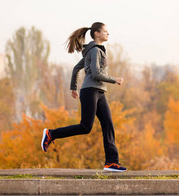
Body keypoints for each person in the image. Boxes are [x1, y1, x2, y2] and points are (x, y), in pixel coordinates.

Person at [41, 22, 127, 172]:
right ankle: (51, 133)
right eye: (106, 31)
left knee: (108, 125)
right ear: (96, 34)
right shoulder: (94, 51)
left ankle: (111, 162)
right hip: (91, 91)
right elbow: (95, 73)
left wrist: (73, 87)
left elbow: (76, 68)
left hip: (99, 92)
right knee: (85, 127)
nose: (108, 34)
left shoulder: (94, 50)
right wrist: (115, 80)